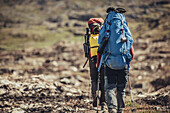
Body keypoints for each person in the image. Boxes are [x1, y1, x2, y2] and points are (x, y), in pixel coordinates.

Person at [97, 7, 134, 113]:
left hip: (109, 62)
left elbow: (100, 40)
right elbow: (130, 39)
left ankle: (112, 109)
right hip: (123, 62)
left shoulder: (107, 23)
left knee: (110, 88)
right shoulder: (123, 23)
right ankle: (120, 109)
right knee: (121, 89)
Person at [86, 18, 106, 109]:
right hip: (103, 58)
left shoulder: (89, 35)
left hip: (92, 59)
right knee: (103, 79)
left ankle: (95, 98)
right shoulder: (103, 35)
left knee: (94, 79)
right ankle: (103, 102)